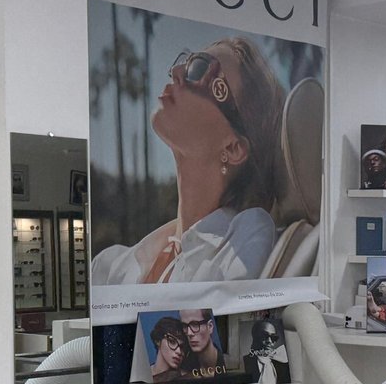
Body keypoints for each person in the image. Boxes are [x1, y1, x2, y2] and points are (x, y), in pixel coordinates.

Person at [92, 37, 284, 285]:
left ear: (233, 147)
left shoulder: (246, 236)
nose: (176, 71)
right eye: (187, 60)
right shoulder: (109, 265)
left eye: (200, 68)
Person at [178, 309, 227, 377]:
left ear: (210, 326)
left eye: (195, 324)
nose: (189, 333)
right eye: (185, 326)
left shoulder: (226, 362)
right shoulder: (183, 368)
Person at [244, 319, 290, 384]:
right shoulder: (245, 363)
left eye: (273, 337)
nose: (269, 341)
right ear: (255, 336)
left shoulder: (283, 362)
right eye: (264, 335)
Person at [147, 316, 188, 383]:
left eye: (182, 347)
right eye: (172, 341)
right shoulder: (142, 373)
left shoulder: (187, 377)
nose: (179, 352)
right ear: (158, 341)